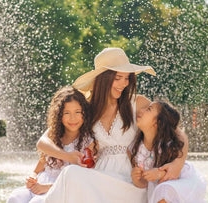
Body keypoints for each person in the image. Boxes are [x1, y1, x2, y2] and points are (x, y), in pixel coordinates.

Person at [37, 48, 188, 202]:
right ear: (103, 79)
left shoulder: (137, 104)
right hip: (98, 176)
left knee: (71, 176)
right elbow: (43, 142)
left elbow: (176, 132)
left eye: (127, 78)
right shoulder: (86, 108)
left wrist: (178, 163)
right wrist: (67, 156)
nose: (124, 83)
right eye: (118, 78)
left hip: (131, 180)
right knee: (71, 173)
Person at [7, 86, 95, 203]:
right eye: (66, 113)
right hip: (41, 183)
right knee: (15, 198)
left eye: (78, 112)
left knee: (37, 202)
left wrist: (47, 187)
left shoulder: (87, 141)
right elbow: (38, 168)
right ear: (59, 115)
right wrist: (32, 178)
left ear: (84, 113)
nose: (73, 118)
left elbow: (83, 180)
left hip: (63, 189)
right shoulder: (54, 135)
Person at [129, 100, 206, 203]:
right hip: (159, 189)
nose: (141, 110)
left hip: (182, 182)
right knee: (161, 191)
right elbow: (144, 184)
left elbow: (175, 174)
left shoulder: (168, 145)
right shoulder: (135, 148)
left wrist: (160, 174)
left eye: (148, 109)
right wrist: (136, 179)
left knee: (164, 190)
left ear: (157, 122)